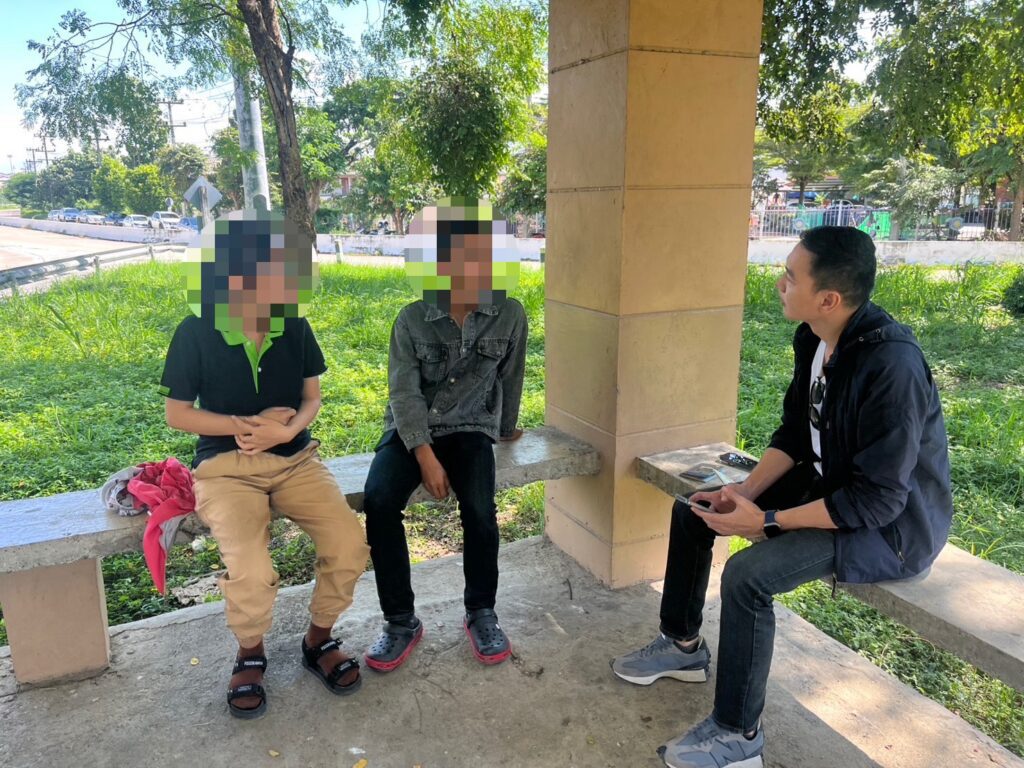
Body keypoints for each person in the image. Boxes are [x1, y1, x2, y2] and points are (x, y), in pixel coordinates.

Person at [611, 225, 953, 768]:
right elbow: (797, 433)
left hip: (890, 528)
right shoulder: (813, 338)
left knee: (748, 577)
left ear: (828, 298)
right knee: (696, 509)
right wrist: (742, 492)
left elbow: (877, 500)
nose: (779, 283)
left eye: (791, 277)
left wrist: (766, 521)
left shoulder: (892, 367)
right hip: (831, 484)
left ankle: (738, 735)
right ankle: (682, 646)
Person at [159, 210, 370, 719]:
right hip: (226, 467)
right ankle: (250, 652)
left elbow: (312, 398)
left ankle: (318, 640)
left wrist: (287, 431)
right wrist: (244, 425)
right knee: (251, 568)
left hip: (295, 460)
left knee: (348, 544)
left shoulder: (293, 324)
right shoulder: (196, 330)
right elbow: (177, 413)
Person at [361, 199, 527, 671]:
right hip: (411, 428)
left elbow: (511, 376)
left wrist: (505, 428)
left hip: (470, 426)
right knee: (379, 501)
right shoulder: (412, 318)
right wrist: (424, 455)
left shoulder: (509, 313)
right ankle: (400, 620)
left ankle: (481, 611)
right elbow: (404, 393)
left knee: (479, 507)